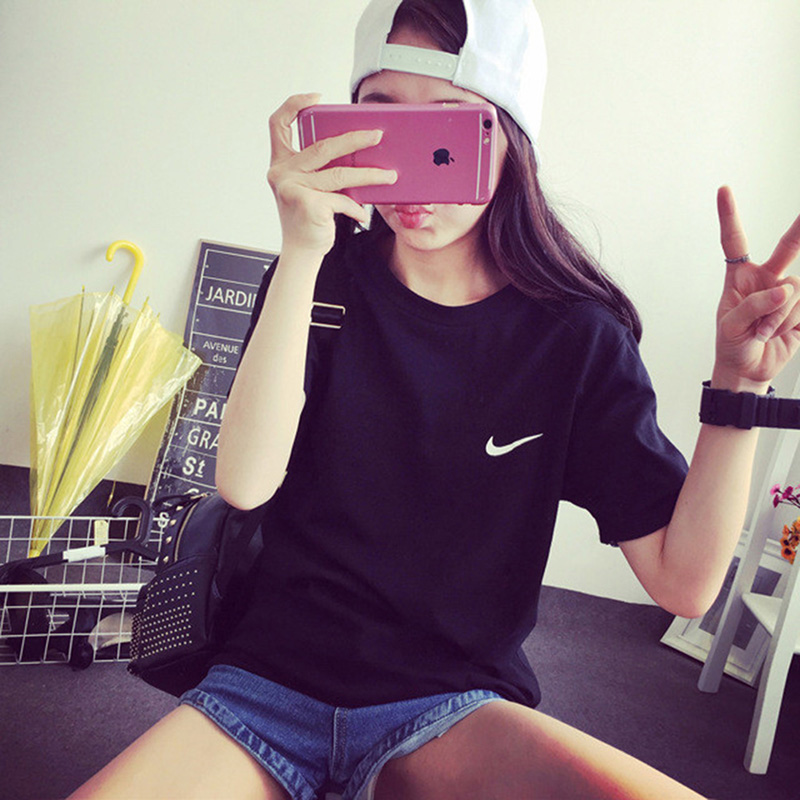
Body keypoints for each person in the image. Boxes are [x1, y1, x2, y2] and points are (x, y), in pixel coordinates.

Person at [69, 1, 800, 798]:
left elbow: (682, 584)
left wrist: (739, 387)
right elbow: (245, 483)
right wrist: (303, 247)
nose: (411, 173)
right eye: (383, 121)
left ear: (510, 138)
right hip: (264, 689)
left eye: (449, 129)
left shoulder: (574, 337)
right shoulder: (320, 279)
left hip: (450, 707)